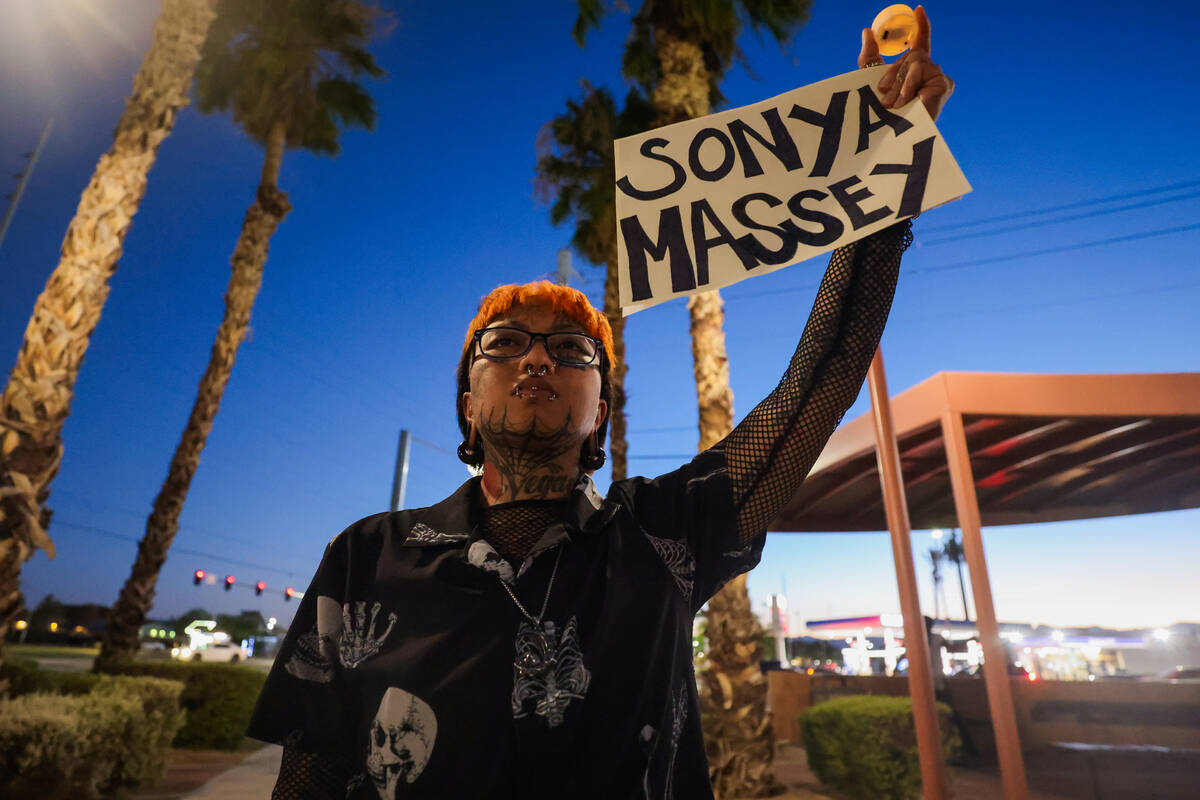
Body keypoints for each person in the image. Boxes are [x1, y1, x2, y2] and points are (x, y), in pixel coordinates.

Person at [247, 11, 953, 799]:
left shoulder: (666, 534)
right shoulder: (366, 557)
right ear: (466, 401)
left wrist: (886, 163)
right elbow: (310, 774)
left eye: (571, 351)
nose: (538, 357)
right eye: (505, 343)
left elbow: (819, 379)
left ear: (601, 415)